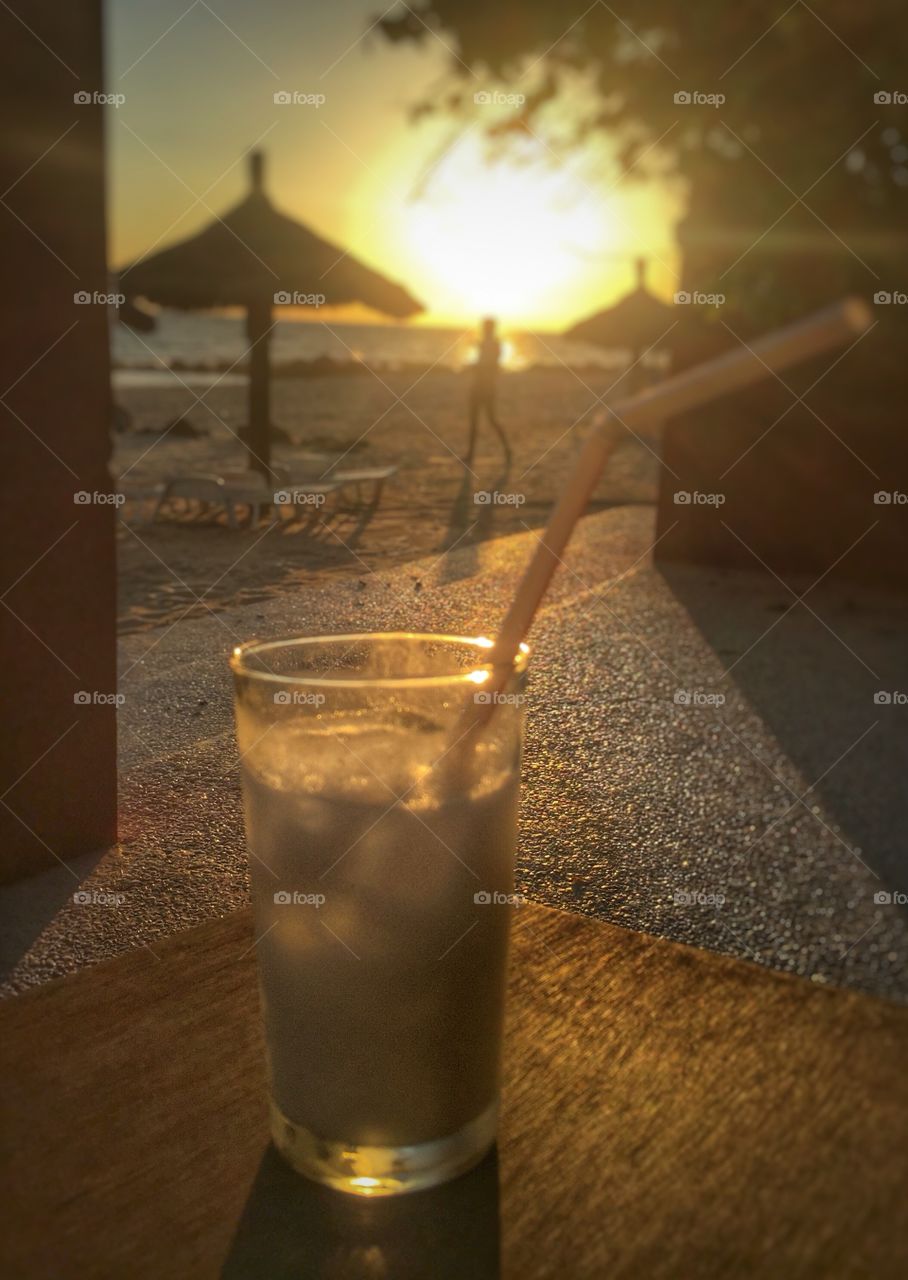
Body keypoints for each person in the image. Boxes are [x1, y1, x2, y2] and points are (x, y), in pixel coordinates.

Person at [465, 317, 511, 465]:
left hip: (487, 387)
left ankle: (507, 450)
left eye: (485, 327)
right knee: (474, 421)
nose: (483, 330)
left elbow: (492, 366)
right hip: (478, 385)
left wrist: (477, 367)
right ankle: (470, 454)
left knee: (491, 420)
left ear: (489, 329)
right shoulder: (485, 344)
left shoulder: (494, 344)